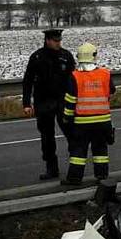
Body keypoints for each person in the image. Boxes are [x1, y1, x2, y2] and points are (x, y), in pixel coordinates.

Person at [22, 29, 76, 180]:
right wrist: (26, 103)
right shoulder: (37, 57)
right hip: (43, 102)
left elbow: (74, 79)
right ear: (47, 40)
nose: (58, 43)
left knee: (71, 134)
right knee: (47, 138)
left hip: (62, 101)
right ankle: (51, 169)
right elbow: (28, 81)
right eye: (55, 40)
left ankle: (76, 165)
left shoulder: (66, 56)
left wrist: (75, 100)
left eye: (59, 40)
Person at [61, 43, 116, 185]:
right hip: (103, 121)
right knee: (101, 150)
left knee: (78, 151)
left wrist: (67, 117)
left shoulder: (75, 76)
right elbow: (111, 91)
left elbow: (70, 100)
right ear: (94, 56)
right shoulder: (105, 74)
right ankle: (102, 177)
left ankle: (74, 179)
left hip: (82, 122)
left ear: (78, 57)